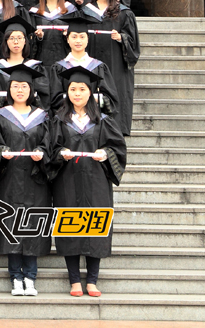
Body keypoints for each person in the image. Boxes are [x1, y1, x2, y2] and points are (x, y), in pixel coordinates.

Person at [45, 66, 127, 298]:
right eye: (73, 89)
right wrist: (60, 153)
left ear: (90, 92)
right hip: (67, 181)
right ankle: (74, 280)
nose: (77, 93)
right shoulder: (58, 121)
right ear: (67, 92)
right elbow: (50, 149)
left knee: (95, 227)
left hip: (96, 181)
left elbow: (117, 149)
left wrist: (106, 153)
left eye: (82, 89)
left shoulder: (103, 120)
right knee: (69, 227)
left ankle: (92, 280)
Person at [0, 64, 53, 296]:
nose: (20, 90)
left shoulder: (43, 116)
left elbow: (49, 144)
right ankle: (16, 277)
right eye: (15, 86)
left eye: (24, 86)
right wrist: (1, 152)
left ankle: (31, 277)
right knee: (12, 224)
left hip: (36, 180)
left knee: (33, 225)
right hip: (9, 179)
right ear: (9, 89)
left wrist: (42, 153)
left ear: (31, 90)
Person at [81, 0, 139, 135]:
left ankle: (116, 132)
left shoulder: (124, 13)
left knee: (116, 95)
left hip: (116, 65)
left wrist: (122, 38)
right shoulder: (85, 12)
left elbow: (134, 44)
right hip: (92, 62)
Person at [47, 16, 121, 116]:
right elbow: (54, 100)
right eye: (74, 37)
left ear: (87, 39)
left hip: (93, 119)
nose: (78, 41)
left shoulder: (98, 67)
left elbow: (111, 101)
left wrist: (92, 98)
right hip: (67, 120)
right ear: (67, 39)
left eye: (82, 37)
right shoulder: (58, 68)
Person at [0, 16, 50, 118]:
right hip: (3, 119)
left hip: (29, 117)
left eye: (20, 38)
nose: (16, 42)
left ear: (25, 41)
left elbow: (43, 98)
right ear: (6, 42)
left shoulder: (35, 67)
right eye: (11, 38)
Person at [31, 0, 77, 67]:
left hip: (66, 62)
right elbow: (29, 41)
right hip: (42, 62)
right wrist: (38, 37)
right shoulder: (34, 12)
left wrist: (68, 36)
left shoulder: (70, 10)